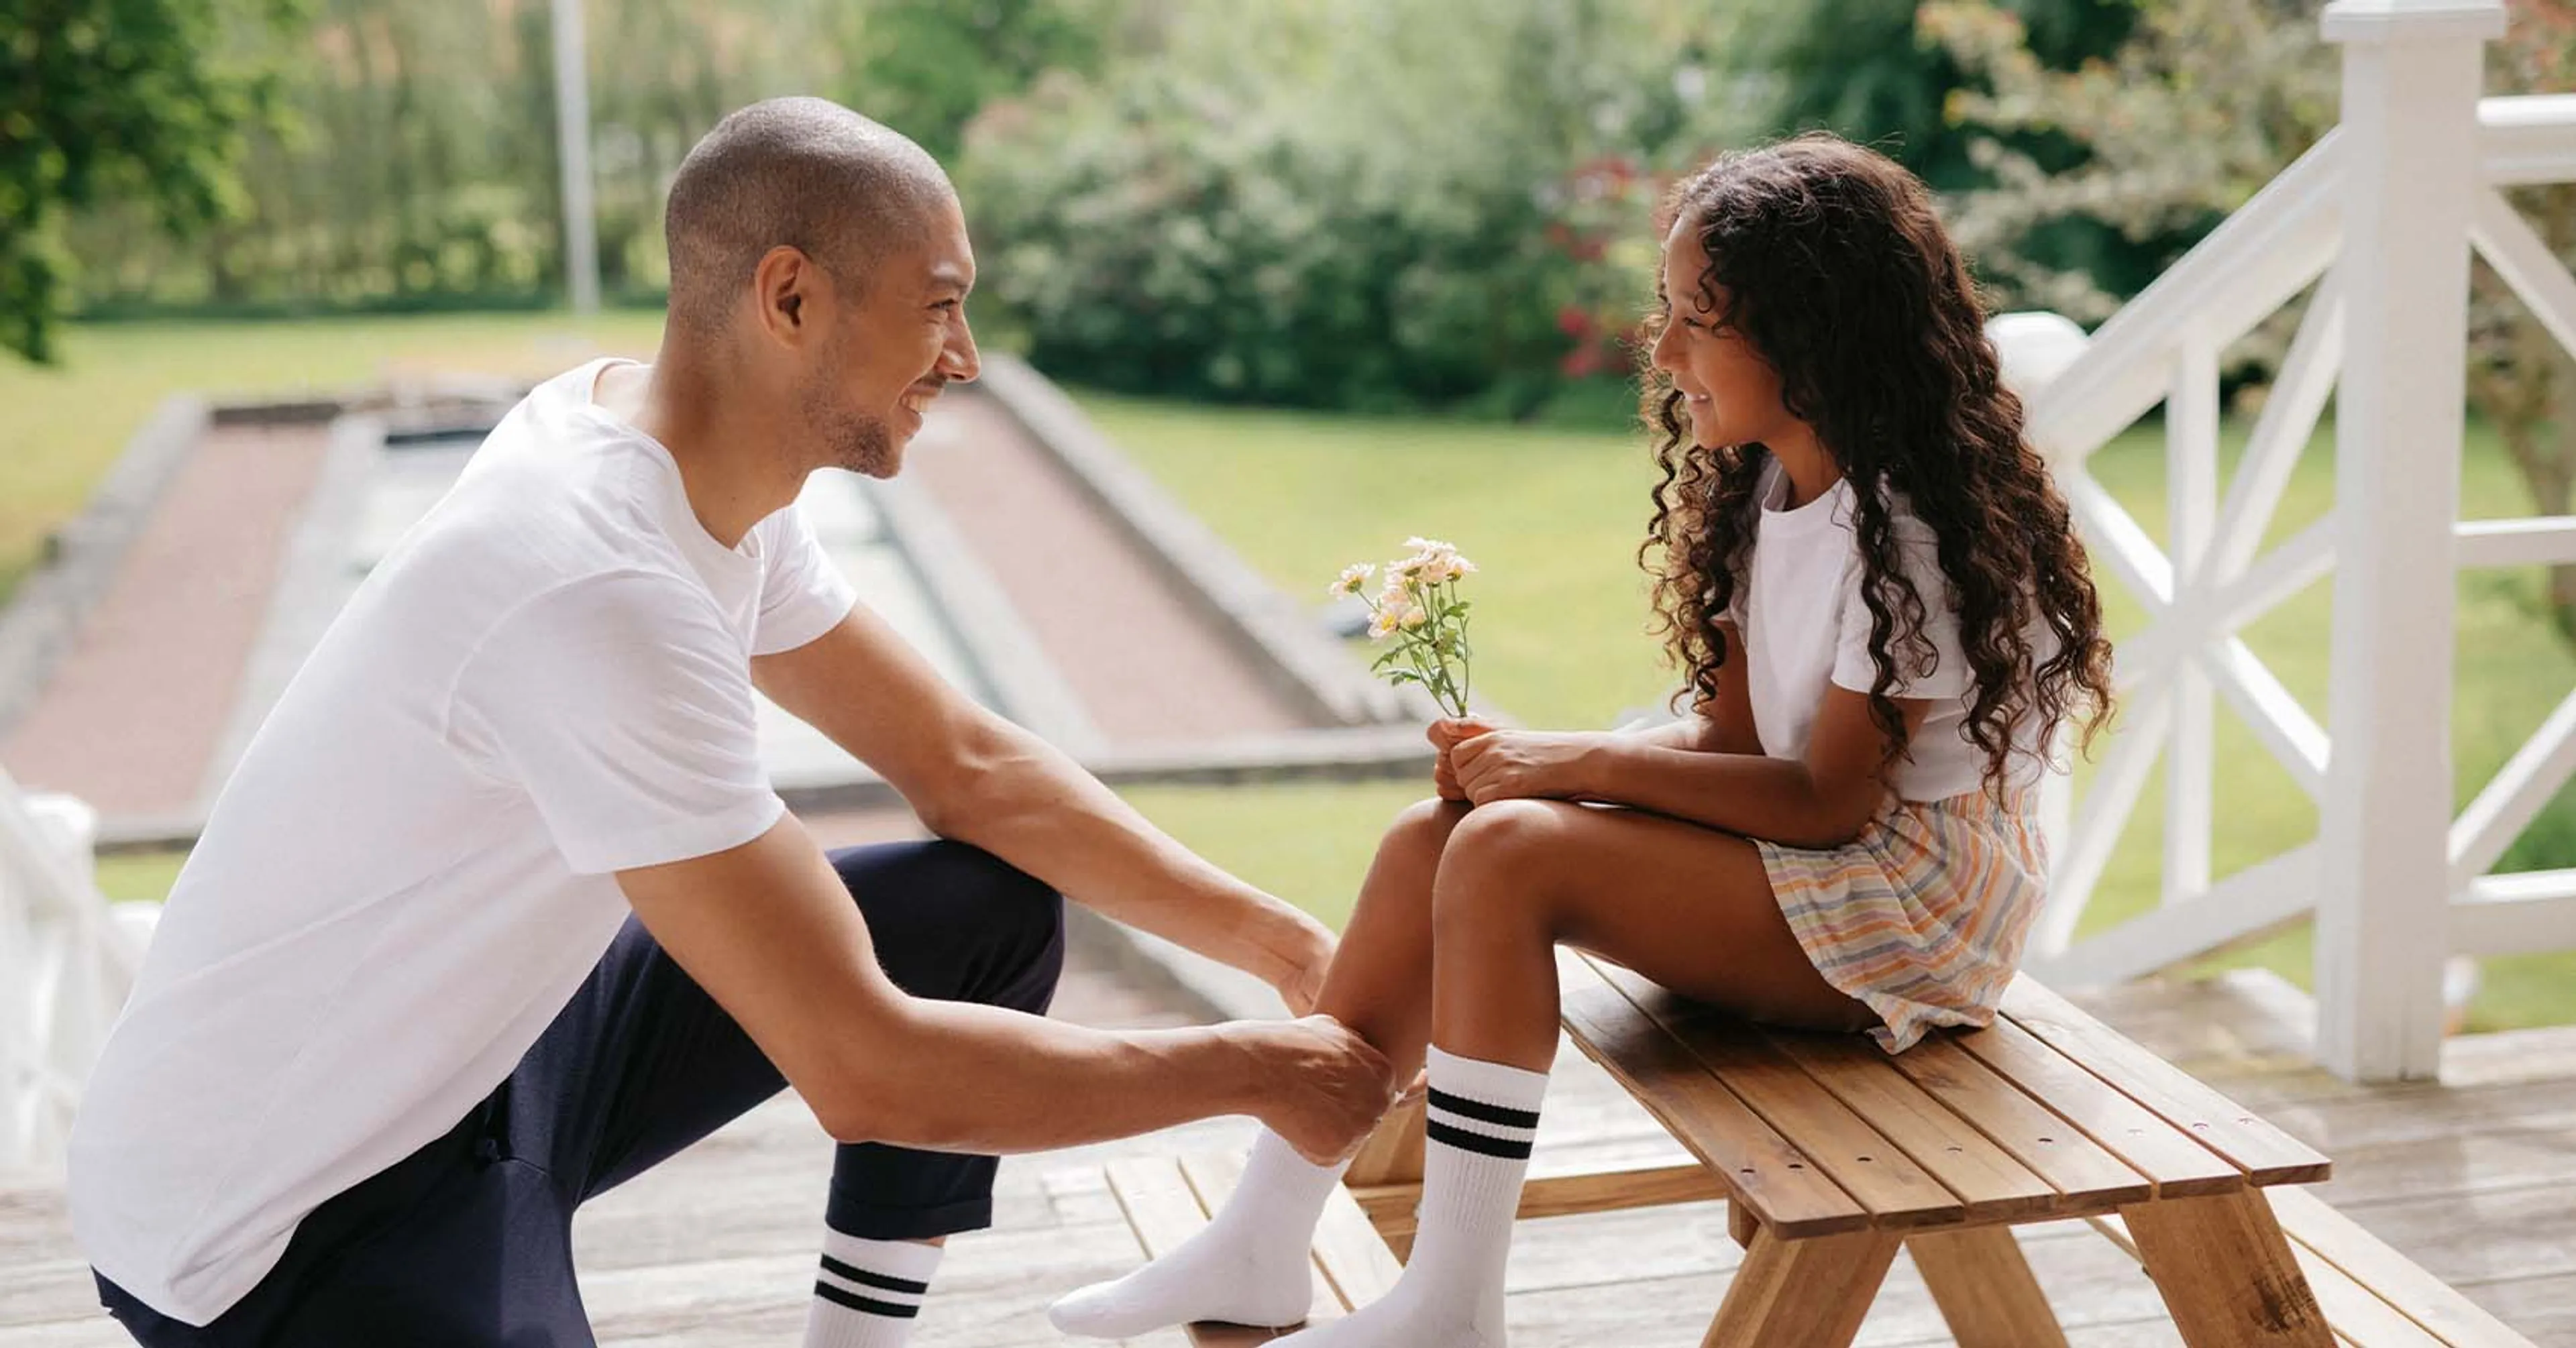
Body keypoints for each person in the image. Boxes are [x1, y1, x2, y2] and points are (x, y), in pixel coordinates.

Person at [67, 97, 1397, 1348]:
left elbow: (968, 767)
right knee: (881, 1025)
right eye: (941, 308)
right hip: (282, 1220)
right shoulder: (596, 583)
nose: (967, 359)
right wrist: (1257, 1071)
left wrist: (1279, 947)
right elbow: (867, 1070)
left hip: (492, 1052)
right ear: (790, 296)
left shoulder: (679, 471)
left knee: (985, 909)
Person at [1048, 132, 2116, 1347]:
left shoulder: (1903, 532)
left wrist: (1575, 768)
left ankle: (1451, 1307)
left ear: (1809, 336)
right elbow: (1727, 743)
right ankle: (1259, 1235)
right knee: (1432, 836)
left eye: (1694, 320)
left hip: (1918, 904)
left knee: (1511, 857)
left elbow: (1829, 802)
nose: (1661, 352)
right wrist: (1541, 757)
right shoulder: (1775, 489)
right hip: (1834, 868)